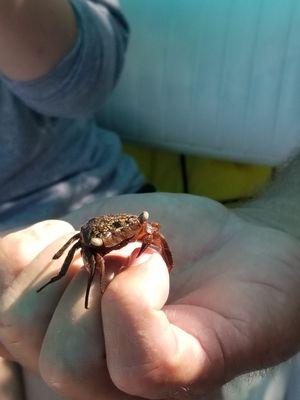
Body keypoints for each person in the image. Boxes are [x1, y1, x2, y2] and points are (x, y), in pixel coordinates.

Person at [0, 2, 300, 400]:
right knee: (75, 302)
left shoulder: (139, 224)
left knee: (136, 358)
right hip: (74, 239)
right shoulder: (91, 247)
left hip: (90, 196)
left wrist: (279, 222)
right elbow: (80, 253)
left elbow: (82, 80)